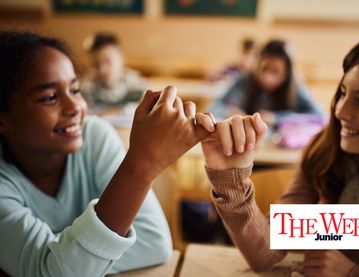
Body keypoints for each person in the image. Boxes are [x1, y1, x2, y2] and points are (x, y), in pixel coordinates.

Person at [199, 32, 359, 276]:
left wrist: (355, 274)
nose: (340, 111)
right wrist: (231, 179)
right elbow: (268, 250)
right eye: (343, 93)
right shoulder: (325, 154)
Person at [0, 30, 214, 276]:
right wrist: (141, 164)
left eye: (75, 90)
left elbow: (154, 243)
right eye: (49, 97)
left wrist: (235, 187)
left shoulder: (94, 135)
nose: (77, 108)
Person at [208, 39, 324, 127]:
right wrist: (229, 112)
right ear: (257, 65)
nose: (267, 78)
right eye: (264, 69)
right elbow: (214, 107)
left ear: (287, 73)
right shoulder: (245, 79)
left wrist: (276, 118)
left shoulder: (295, 87)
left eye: (276, 72)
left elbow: (320, 117)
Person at [81, 32, 147, 107]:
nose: (102, 69)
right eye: (96, 64)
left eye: (108, 61)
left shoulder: (137, 86)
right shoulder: (85, 87)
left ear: (121, 58)